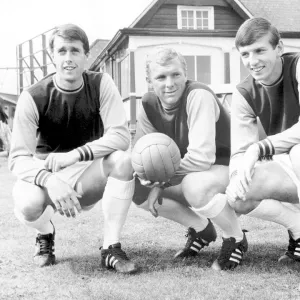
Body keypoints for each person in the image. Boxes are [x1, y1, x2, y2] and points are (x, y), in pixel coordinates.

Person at [8, 24, 138, 274]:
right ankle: (45, 234)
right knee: (27, 203)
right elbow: (18, 158)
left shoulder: (101, 83)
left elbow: (121, 136)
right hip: (48, 173)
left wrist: (76, 154)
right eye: (62, 51)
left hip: (87, 172)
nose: (68, 58)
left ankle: (110, 247)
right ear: (52, 56)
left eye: (75, 51)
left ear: (86, 56)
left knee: (122, 160)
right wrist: (49, 180)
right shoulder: (33, 96)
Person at [132, 47, 247, 270]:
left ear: (186, 73)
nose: (169, 83)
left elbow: (201, 158)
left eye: (176, 74)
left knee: (195, 186)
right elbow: (141, 155)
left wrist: (163, 181)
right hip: (197, 171)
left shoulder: (198, 94)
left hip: (230, 165)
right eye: (161, 77)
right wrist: (149, 178)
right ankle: (201, 229)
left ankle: (236, 239)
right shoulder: (147, 105)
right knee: (135, 185)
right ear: (149, 80)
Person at [226, 17, 300, 263]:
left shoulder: (298, 66)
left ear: (279, 48)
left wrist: (259, 148)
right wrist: (237, 175)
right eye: (245, 54)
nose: (252, 61)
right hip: (285, 157)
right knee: (238, 195)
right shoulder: (243, 92)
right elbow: (240, 151)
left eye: (259, 50)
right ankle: (299, 230)